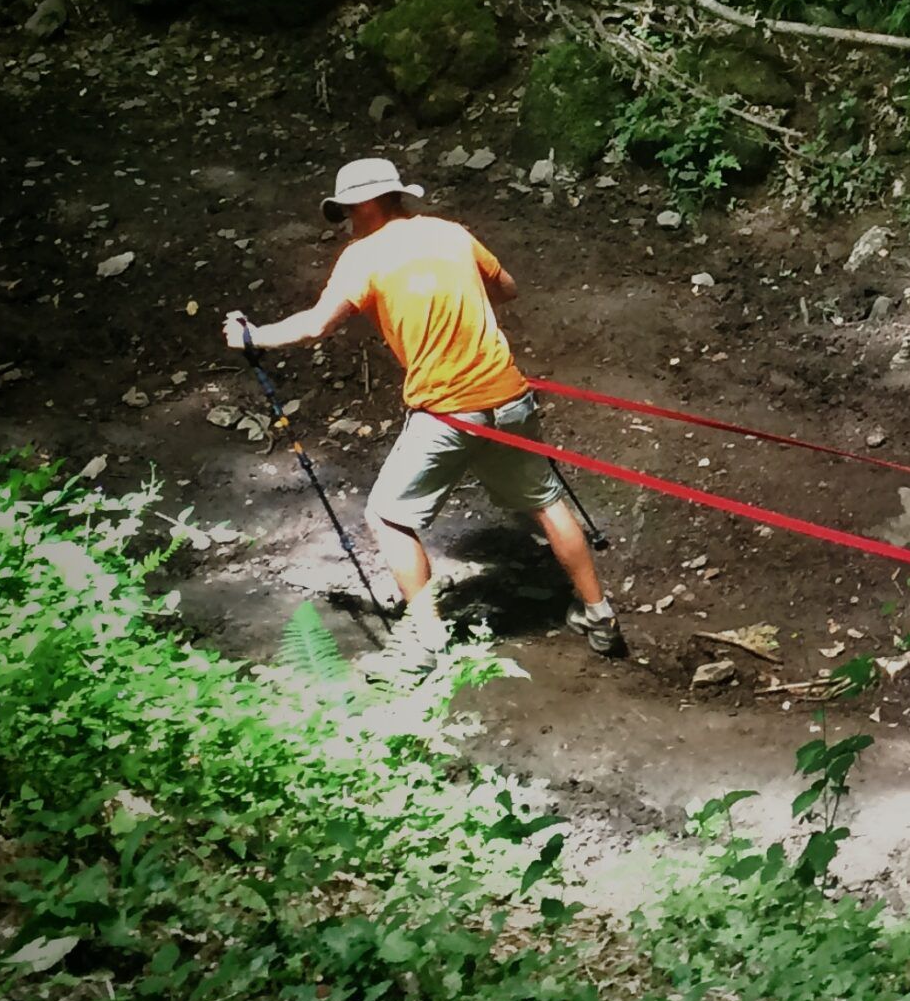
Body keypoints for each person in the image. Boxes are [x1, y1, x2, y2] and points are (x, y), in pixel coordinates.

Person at [220, 157, 622, 673]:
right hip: (509, 395)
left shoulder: (362, 256)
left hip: (449, 413)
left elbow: (316, 326)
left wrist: (252, 336)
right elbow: (507, 289)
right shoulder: (449, 232)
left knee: (388, 515)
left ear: (365, 204)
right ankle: (598, 613)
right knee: (545, 500)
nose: (346, 220)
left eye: (346, 210)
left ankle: (425, 641)